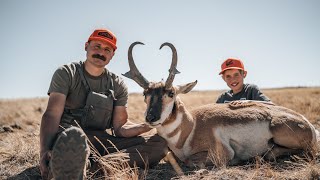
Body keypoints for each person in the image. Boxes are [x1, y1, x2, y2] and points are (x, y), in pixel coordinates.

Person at [39, 28, 167, 179]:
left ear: (112, 54)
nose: (101, 52)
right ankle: (67, 166)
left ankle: (95, 168)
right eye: (97, 46)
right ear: (86, 46)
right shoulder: (67, 73)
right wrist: (45, 151)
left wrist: (149, 125)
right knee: (74, 141)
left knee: (160, 143)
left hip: (101, 141)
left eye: (107, 49)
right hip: (70, 140)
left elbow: (120, 127)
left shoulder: (118, 84)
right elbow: (52, 114)